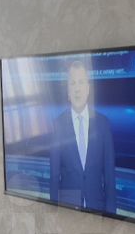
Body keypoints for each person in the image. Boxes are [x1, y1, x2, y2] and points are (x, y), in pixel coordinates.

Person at [49, 60, 116, 213]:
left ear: (88, 89)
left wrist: (112, 217)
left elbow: (110, 177)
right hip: (68, 210)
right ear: (68, 91)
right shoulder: (58, 125)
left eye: (81, 82)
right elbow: (54, 177)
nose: (77, 89)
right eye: (73, 83)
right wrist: (54, 214)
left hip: (97, 209)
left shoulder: (103, 124)